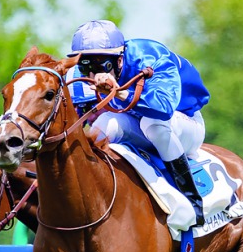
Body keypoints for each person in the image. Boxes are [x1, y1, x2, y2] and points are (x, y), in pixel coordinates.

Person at [67, 20, 211, 225]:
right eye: (85, 64)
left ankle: (192, 200)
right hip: (140, 122)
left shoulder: (151, 56)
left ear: (119, 59)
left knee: (151, 123)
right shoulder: (78, 75)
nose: (92, 74)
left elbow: (164, 109)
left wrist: (119, 92)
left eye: (100, 64)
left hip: (183, 123)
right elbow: (73, 124)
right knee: (104, 123)